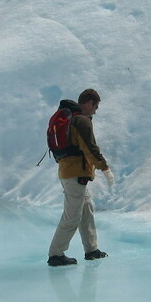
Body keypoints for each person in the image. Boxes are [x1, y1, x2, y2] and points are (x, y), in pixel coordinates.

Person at [48, 88, 114, 266]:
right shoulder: (82, 121)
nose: (96, 110)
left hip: (69, 172)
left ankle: (91, 250)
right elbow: (90, 148)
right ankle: (56, 254)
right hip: (75, 174)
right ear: (88, 102)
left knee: (86, 210)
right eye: (95, 106)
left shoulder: (74, 120)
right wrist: (104, 168)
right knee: (72, 215)